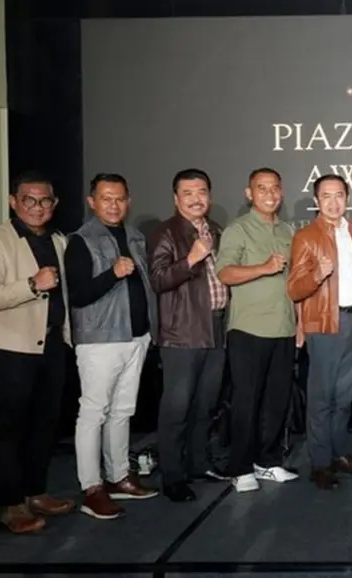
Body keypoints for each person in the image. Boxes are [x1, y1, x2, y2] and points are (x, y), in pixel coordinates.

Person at [0, 171, 74, 533]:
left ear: (54, 203)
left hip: (51, 344)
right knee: (10, 428)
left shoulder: (58, 240)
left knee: (44, 425)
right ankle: (10, 505)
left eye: (45, 200)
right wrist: (31, 284)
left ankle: (36, 492)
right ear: (13, 202)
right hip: (10, 348)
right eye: (29, 199)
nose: (37, 207)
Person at [65, 173, 159, 520]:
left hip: (136, 336)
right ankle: (92, 488)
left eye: (119, 198)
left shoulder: (135, 237)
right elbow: (77, 295)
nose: (114, 205)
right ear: (92, 202)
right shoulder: (81, 241)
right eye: (106, 198)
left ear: (128, 201)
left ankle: (119, 476)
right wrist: (112, 273)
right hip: (100, 340)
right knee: (94, 412)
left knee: (122, 411)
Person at [287, 174, 352, 490]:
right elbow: (294, 289)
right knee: (322, 398)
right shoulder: (306, 237)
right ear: (316, 201)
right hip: (324, 323)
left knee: (345, 398)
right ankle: (320, 463)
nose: (333, 202)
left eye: (339, 195)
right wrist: (316, 276)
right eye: (326, 196)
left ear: (347, 198)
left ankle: (339, 455)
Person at [215, 168, 300, 492]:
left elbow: (294, 281)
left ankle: (268, 462)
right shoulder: (238, 229)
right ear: (249, 194)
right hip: (249, 329)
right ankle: (240, 467)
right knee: (246, 402)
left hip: (283, 327)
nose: (269, 194)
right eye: (262, 188)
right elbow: (224, 273)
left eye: (275, 188)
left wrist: (299, 323)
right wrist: (263, 268)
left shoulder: (287, 230)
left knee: (277, 401)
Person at [148, 169, 229, 502]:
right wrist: (191, 258)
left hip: (216, 327)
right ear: (176, 198)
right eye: (188, 193)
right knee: (177, 408)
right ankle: (173, 476)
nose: (196, 199)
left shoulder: (217, 231)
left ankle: (199, 464)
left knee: (205, 404)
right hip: (182, 331)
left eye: (202, 192)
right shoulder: (165, 232)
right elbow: (158, 279)